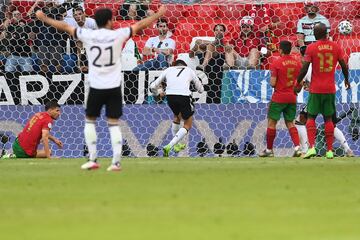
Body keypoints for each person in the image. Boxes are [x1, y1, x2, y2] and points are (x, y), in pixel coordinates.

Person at [35, 6, 166, 171]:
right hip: (114, 86)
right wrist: (159, 14)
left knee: (90, 121)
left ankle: (92, 159)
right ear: (111, 21)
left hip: (96, 86)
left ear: (95, 21)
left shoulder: (88, 35)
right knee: (113, 123)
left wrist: (45, 18)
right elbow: (140, 25)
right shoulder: (118, 34)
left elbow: (65, 26)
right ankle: (116, 162)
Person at [295, 23, 350, 159]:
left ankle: (312, 147)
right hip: (330, 88)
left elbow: (304, 67)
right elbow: (343, 64)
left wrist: (297, 82)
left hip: (316, 89)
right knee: (329, 119)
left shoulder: (311, 48)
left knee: (311, 117)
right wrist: (347, 80)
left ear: (314, 34)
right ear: (327, 33)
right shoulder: (336, 46)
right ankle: (330, 151)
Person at [149, 59, 204, 157]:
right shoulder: (189, 70)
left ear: (174, 65)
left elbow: (152, 85)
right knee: (188, 124)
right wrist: (199, 87)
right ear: (185, 65)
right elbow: (200, 89)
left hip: (170, 97)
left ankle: (176, 145)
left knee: (177, 117)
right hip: (184, 96)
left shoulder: (168, 70)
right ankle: (169, 146)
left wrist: (158, 92)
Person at [259, 40, 302, 157]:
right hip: (292, 97)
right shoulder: (297, 63)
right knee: (290, 123)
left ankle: (269, 150)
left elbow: (273, 83)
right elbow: (300, 83)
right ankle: (298, 148)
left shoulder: (276, 63)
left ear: (280, 50)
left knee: (271, 123)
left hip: (279, 97)